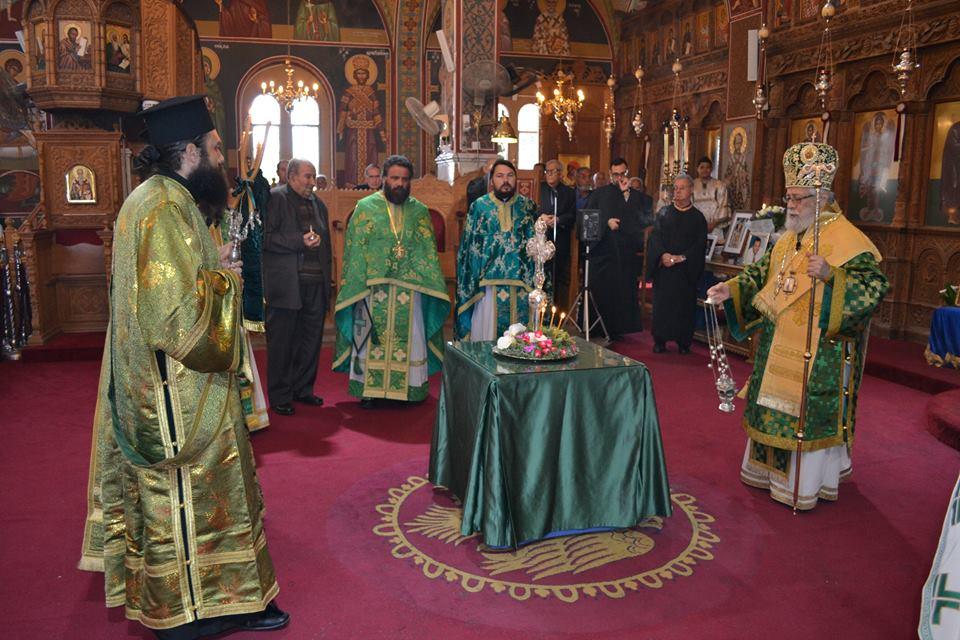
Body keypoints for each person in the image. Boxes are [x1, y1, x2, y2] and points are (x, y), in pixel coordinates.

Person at [78, 95, 288, 639]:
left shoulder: (159, 199)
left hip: (178, 387)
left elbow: (163, 284)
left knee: (224, 490)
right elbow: (177, 324)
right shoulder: (164, 207)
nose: (222, 159)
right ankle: (189, 615)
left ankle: (235, 599)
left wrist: (207, 265)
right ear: (190, 151)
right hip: (176, 392)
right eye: (216, 149)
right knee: (190, 497)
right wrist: (227, 283)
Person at [707, 141, 889, 510]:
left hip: (819, 350)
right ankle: (767, 473)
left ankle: (806, 484)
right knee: (772, 406)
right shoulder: (791, 236)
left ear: (821, 197)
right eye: (788, 197)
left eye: (797, 198)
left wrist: (832, 276)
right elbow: (764, 273)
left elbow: (874, 289)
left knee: (803, 411)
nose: (789, 205)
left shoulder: (850, 241)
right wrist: (731, 287)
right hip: (776, 344)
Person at [333, 155, 449, 407]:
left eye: (405, 180)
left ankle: (409, 389)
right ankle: (370, 391)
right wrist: (358, 284)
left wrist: (419, 277)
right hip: (372, 290)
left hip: (411, 289)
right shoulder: (365, 208)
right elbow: (354, 251)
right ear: (384, 179)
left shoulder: (419, 211)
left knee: (412, 337)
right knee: (369, 338)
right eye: (394, 178)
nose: (399, 184)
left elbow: (427, 253)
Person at [262, 158, 331, 416]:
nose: (312, 182)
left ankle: (303, 389)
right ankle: (280, 394)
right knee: (283, 342)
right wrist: (299, 241)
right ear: (290, 177)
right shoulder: (275, 199)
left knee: (310, 340)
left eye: (313, 177)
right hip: (286, 284)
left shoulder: (318, 204)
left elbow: (327, 247)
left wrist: (328, 284)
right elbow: (265, 238)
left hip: (315, 283)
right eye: (307, 177)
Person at [456, 159, 538, 340]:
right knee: (488, 335)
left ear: (516, 179)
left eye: (510, 176)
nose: (505, 180)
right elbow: (469, 247)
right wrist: (471, 280)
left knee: (521, 338)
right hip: (487, 285)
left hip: (521, 283)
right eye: (500, 176)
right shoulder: (479, 206)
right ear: (491, 180)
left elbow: (535, 245)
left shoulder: (528, 206)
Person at [585, 158, 650, 340]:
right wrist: (606, 223)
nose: (619, 178)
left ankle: (620, 329)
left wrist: (627, 194)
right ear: (610, 173)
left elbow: (643, 217)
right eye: (616, 174)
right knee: (601, 290)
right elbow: (588, 220)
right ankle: (598, 327)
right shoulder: (600, 193)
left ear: (628, 173)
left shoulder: (635, 196)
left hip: (625, 253)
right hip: (602, 252)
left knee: (623, 290)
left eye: (623, 174)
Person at [646, 174, 707, 353]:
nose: (678, 191)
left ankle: (683, 342)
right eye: (676, 188)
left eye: (682, 188)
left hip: (685, 271)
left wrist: (682, 258)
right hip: (664, 270)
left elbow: (699, 245)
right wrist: (663, 255)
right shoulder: (663, 213)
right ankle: (660, 341)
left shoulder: (698, 218)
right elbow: (655, 238)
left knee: (684, 306)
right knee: (662, 306)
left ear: (691, 191)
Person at [338, 56, 387, 185]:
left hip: (368, 131)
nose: (361, 76)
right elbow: (343, 110)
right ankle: (353, 185)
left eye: (363, 73)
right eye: (359, 73)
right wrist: (341, 128)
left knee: (370, 155)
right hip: (353, 130)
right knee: (353, 158)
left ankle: (370, 184)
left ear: (367, 75)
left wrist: (382, 133)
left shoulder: (371, 93)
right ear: (354, 75)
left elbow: (376, 113)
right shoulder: (349, 92)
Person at [539, 159, 576, 308]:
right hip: (540, 240)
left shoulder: (568, 192)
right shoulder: (538, 188)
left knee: (556, 276)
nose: (549, 174)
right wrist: (541, 217)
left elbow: (573, 215)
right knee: (541, 275)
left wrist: (558, 219)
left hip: (560, 240)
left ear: (560, 174)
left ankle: (554, 308)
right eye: (547, 171)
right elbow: (529, 209)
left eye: (553, 171)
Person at [692, 156, 731, 234]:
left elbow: (723, 205)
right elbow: (689, 205)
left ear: (711, 169)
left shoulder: (720, 185)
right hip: (695, 227)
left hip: (715, 227)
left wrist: (713, 224)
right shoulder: (691, 185)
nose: (705, 170)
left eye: (707, 167)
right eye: (702, 167)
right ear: (697, 169)